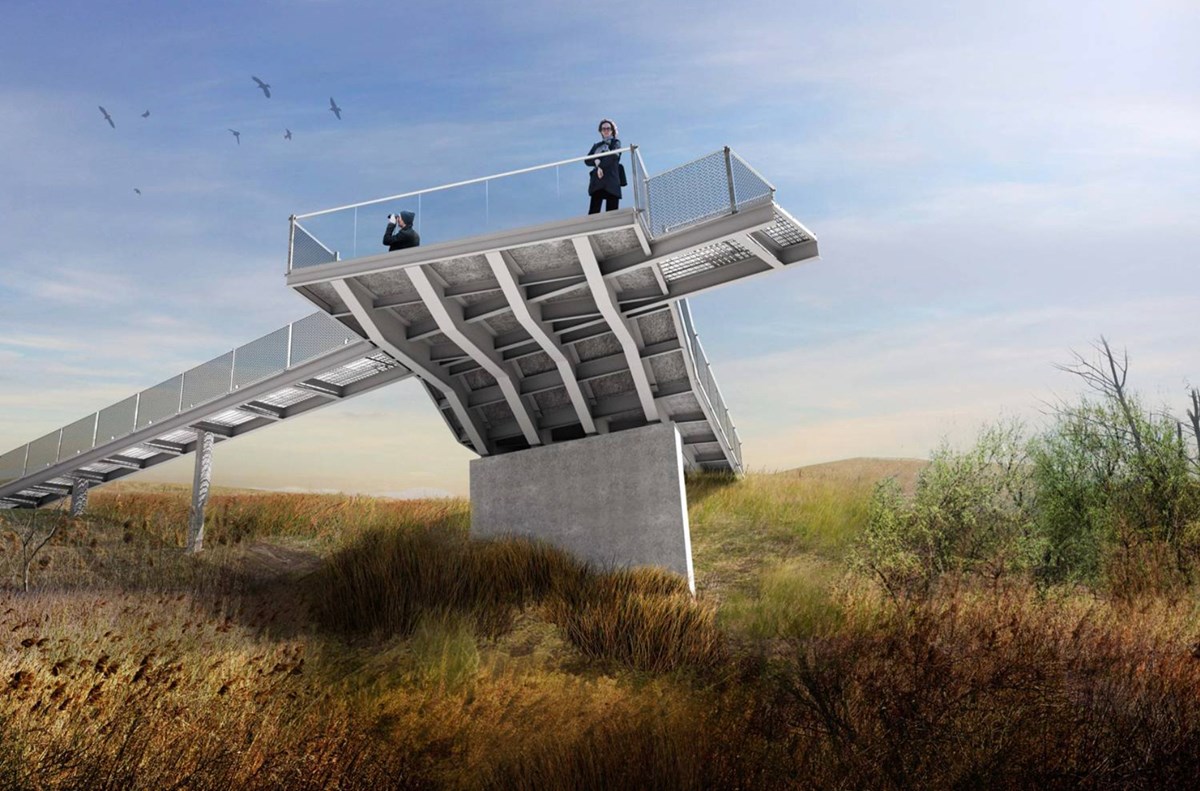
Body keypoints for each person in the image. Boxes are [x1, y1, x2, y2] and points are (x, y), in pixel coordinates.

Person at [585, 119, 622, 214]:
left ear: (612, 130)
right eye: (603, 129)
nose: (606, 130)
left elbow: (614, 155)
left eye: (608, 128)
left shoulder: (616, 142)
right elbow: (587, 160)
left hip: (611, 179)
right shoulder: (596, 146)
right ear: (601, 131)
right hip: (598, 180)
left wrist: (600, 166)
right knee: (594, 210)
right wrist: (596, 161)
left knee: (612, 212)